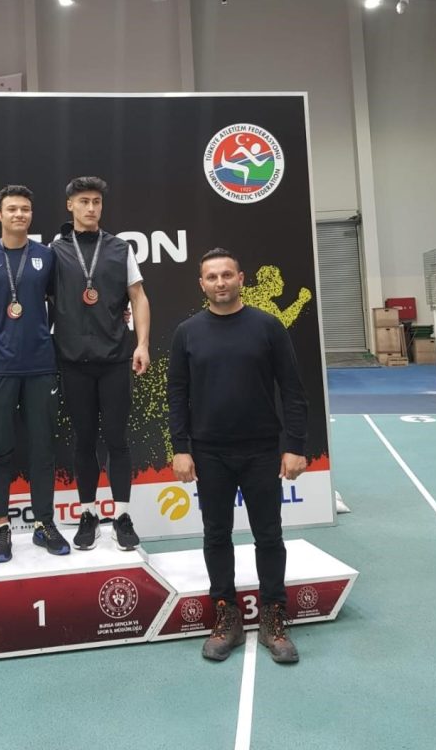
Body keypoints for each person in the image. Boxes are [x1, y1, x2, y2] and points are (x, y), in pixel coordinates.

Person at [167, 248, 308, 664]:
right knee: (216, 535)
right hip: (209, 452)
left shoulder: (268, 327)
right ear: (202, 284)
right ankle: (226, 616)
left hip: (261, 449)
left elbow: (293, 389)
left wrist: (296, 446)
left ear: (241, 278)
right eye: (212, 277)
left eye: (227, 274)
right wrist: (180, 448)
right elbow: (177, 395)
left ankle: (273, 617)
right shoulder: (187, 333)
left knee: (269, 535)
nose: (220, 282)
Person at [0, 185, 70, 563]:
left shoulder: (46, 256)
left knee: (43, 448)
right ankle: (0, 527)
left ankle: (45, 523)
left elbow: (64, 303)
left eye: (25, 209)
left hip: (41, 363)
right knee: (0, 448)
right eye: (12, 209)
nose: (19, 215)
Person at [52, 176, 150, 552]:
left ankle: (121, 516)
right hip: (72, 360)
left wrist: (142, 344)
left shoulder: (120, 248)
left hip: (114, 359)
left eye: (96, 201)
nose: (91, 208)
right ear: (70, 205)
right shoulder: (55, 250)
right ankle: (88, 514)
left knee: (116, 439)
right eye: (84, 201)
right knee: (84, 440)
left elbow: (138, 297)